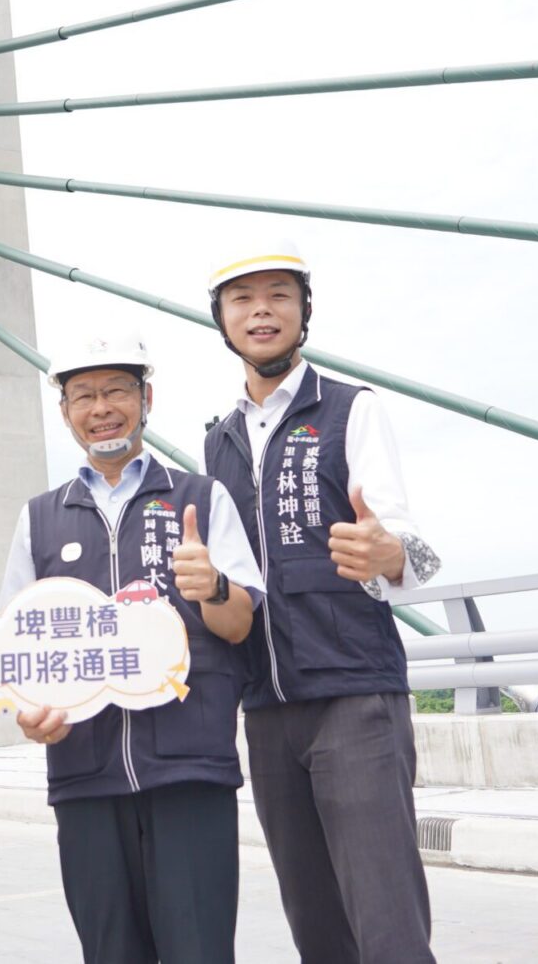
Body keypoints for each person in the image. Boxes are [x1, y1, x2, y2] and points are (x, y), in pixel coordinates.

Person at [199, 242, 443, 964]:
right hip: (266, 707)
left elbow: (410, 545)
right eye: (242, 299)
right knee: (313, 916)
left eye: (279, 294)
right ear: (222, 321)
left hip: (353, 695)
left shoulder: (350, 410)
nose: (261, 310)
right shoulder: (218, 442)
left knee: (385, 911)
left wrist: (392, 555)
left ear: (305, 311)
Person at [0, 332, 264, 964]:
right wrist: (30, 715)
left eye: (116, 389)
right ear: (65, 413)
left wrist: (213, 586)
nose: (101, 407)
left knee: (198, 949)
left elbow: (239, 625)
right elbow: (18, 653)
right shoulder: (40, 517)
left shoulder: (202, 498)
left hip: (189, 770)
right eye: (83, 395)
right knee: (109, 950)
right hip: (84, 775)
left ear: (146, 398)